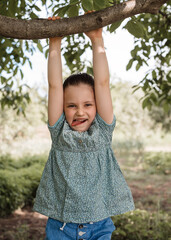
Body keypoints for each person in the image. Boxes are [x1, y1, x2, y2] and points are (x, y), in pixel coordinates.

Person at [33, 16, 135, 240]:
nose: (80, 112)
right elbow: (53, 86)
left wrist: (97, 41)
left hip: (99, 225)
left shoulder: (103, 130)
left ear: (97, 106)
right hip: (61, 227)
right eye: (71, 106)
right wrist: (55, 44)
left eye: (88, 105)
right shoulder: (60, 133)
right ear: (62, 108)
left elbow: (102, 84)